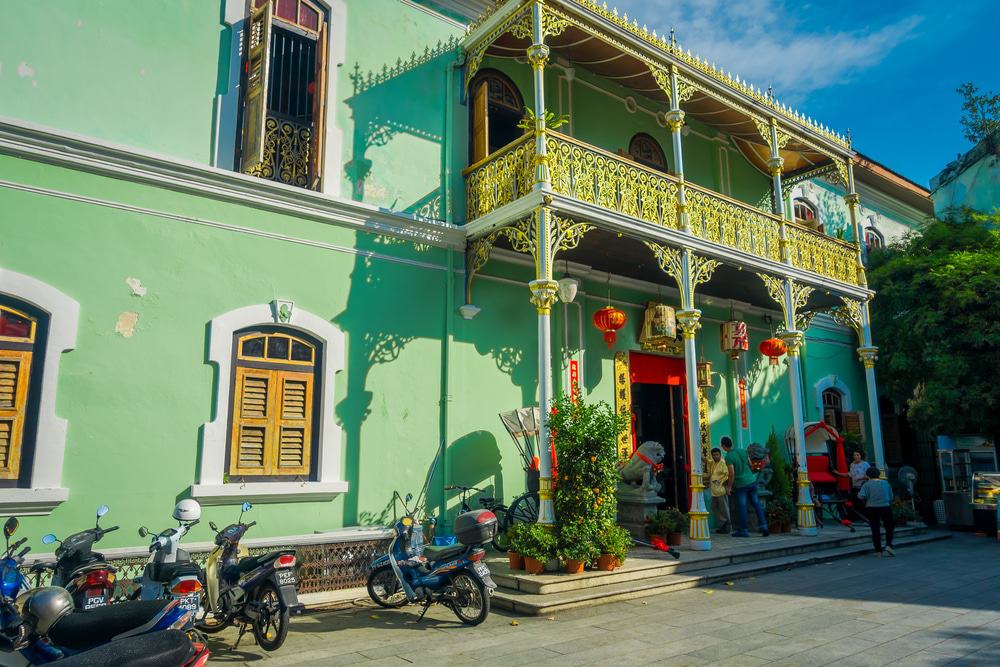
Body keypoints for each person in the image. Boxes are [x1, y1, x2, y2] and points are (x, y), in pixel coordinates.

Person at [722, 437, 768, 537]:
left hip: (741, 484)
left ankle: (744, 530)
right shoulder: (742, 451)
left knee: (742, 506)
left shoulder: (728, 457)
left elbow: (732, 473)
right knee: (756, 503)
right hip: (752, 481)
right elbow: (751, 465)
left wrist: (729, 486)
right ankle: (764, 526)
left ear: (723, 447)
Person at [858, 466, 894, 556]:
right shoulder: (886, 483)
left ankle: (878, 551)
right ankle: (888, 544)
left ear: (867, 475)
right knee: (889, 526)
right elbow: (891, 497)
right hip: (885, 507)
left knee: (875, 529)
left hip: (871, 508)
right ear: (878, 474)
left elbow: (861, 496)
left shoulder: (866, 485)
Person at [707, 447, 731, 534]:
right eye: (713, 455)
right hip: (714, 491)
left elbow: (728, 475)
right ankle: (723, 522)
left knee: (724, 509)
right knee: (714, 507)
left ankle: (727, 526)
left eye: (717, 454)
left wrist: (725, 484)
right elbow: (707, 461)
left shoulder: (723, 463)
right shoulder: (713, 463)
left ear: (720, 455)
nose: (715, 456)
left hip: (721, 490)